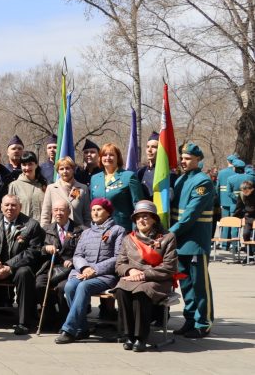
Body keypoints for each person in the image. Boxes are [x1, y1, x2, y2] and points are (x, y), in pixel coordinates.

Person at [0, 194, 45, 334]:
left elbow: (33, 252)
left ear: (20, 207)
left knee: (25, 273)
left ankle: (24, 322)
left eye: (13, 205)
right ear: (1, 206)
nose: (10, 208)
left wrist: (10, 266)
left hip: (19, 266)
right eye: (7, 205)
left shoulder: (31, 225)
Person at [54, 198, 124, 344]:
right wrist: (85, 268)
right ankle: (82, 328)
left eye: (99, 209)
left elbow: (117, 258)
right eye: (93, 210)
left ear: (108, 212)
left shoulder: (118, 231)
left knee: (83, 287)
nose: (95, 213)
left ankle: (69, 329)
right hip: (82, 272)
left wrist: (95, 269)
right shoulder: (86, 232)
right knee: (69, 286)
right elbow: (78, 255)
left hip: (104, 275)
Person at [115, 200, 178, 351]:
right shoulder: (128, 239)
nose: (141, 220)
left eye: (146, 216)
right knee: (120, 290)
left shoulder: (167, 238)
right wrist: (130, 271)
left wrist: (144, 274)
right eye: (138, 217)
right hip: (132, 277)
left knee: (141, 292)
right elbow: (119, 264)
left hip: (157, 279)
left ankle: (141, 337)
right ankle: (128, 335)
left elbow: (169, 267)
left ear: (154, 219)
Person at [169, 143, 216, 339]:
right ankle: (190, 320)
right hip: (180, 242)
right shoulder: (181, 180)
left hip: (195, 242)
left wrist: (169, 233)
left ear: (198, 159)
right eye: (182, 157)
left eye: (188, 158)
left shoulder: (203, 182)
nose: (183, 160)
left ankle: (203, 322)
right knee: (186, 285)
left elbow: (190, 215)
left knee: (199, 285)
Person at [36, 200, 85, 328]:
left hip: (70, 270)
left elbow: (85, 252)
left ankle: (65, 321)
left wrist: (74, 260)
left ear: (69, 212)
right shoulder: (45, 230)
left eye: (62, 210)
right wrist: (45, 249)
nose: (58, 213)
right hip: (49, 267)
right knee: (38, 285)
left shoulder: (80, 230)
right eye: (56, 210)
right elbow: (36, 248)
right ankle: (50, 315)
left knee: (63, 288)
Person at [90, 143, 148, 232]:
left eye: (112, 155)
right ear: (100, 158)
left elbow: (138, 206)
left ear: (118, 158)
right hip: (99, 229)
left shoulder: (129, 176)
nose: (108, 158)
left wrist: (136, 230)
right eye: (105, 155)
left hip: (122, 228)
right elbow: (92, 204)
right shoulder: (95, 178)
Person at [40, 156, 91, 228]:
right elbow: (46, 214)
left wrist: (87, 232)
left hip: (78, 231)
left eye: (67, 168)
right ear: (58, 171)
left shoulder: (82, 188)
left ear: (73, 170)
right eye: (61, 169)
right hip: (56, 232)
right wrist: (45, 232)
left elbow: (87, 216)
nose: (64, 171)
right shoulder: (51, 188)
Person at [8, 151, 46, 219]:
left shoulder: (43, 184)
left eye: (30, 164)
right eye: (24, 165)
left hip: (43, 227)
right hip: (24, 227)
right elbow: (10, 209)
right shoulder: (14, 186)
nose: (27, 168)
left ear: (36, 165)